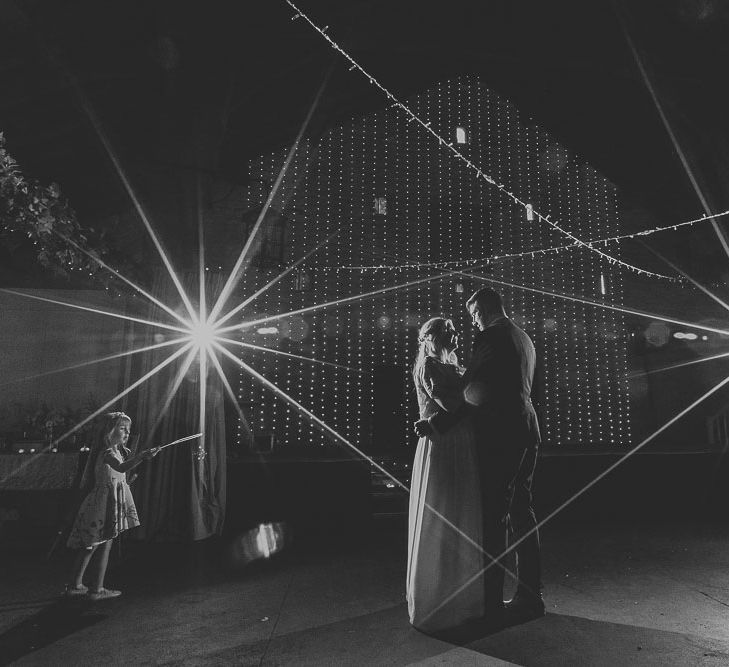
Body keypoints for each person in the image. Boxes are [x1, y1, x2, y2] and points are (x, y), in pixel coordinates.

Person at [415, 288, 544, 625]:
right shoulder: (524, 338)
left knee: (496, 516)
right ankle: (532, 595)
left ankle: (490, 603)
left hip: (502, 436)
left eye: (472, 315)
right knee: (523, 512)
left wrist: (436, 423)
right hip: (528, 429)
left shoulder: (489, 338)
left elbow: (472, 391)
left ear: (483, 310)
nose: (471, 323)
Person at [407, 317, 485, 633]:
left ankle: (462, 595)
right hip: (443, 447)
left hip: (459, 443)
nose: (455, 334)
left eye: (454, 330)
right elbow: (453, 404)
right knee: (444, 514)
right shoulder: (429, 366)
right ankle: (438, 598)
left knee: (462, 513)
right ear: (432, 337)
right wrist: (479, 395)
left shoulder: (452, 365)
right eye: (448, 331)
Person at [65, 412, 159, 601]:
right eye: (122, 428)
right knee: (101, 546)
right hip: (102, 505)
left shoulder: (116, 452)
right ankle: (96, 589)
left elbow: (118, 475)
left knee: (90, 547)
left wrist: (128, 480)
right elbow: (121, 468)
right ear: (109, 431)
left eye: (128, 429)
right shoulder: (107, 453)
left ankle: (76, 585)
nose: (127, 432)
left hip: (105, 503)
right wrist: (142, 457)